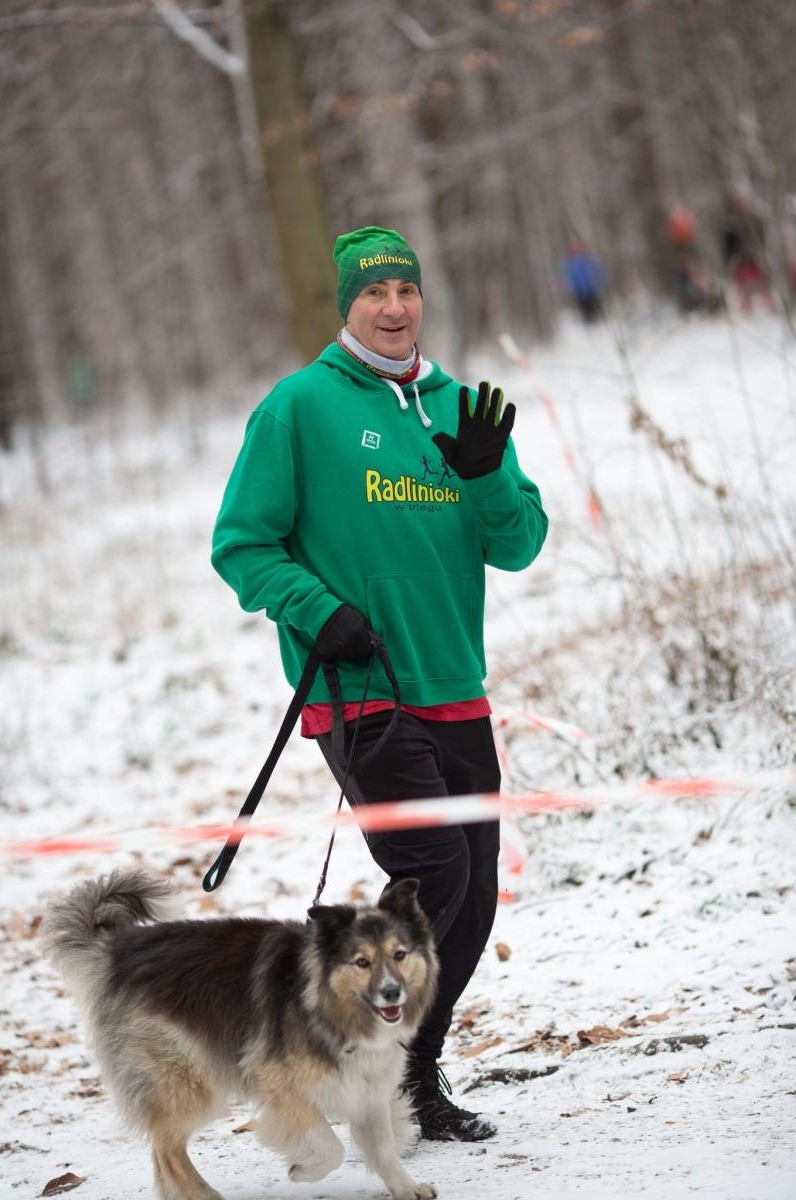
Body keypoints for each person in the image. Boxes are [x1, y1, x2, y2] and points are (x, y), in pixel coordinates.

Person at [211, 225, 548, 1142]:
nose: (395, 307)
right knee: (434, 869)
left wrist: (482, 478)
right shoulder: (299, 408)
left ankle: (407, 1075)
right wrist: (319, 612)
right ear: (347, 304)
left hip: (453, 681)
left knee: (473, 890)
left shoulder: (458, 408)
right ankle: (344, 1055)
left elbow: (519, 543)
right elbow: (240, 544)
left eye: (407, 289)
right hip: (358, 690)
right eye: (374, 293)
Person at [561, 238, 606, 323]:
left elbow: (598, 270)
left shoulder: (588, 259)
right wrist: (567, 287)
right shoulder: (569, 263)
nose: (576, 250)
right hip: (579, 291)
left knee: (596, 309)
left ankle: (599, 324)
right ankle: (588, 326)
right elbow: (566, 277)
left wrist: (601, 282)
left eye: (578, 248)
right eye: (574, 248)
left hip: (591, 288)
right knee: (585, 311)